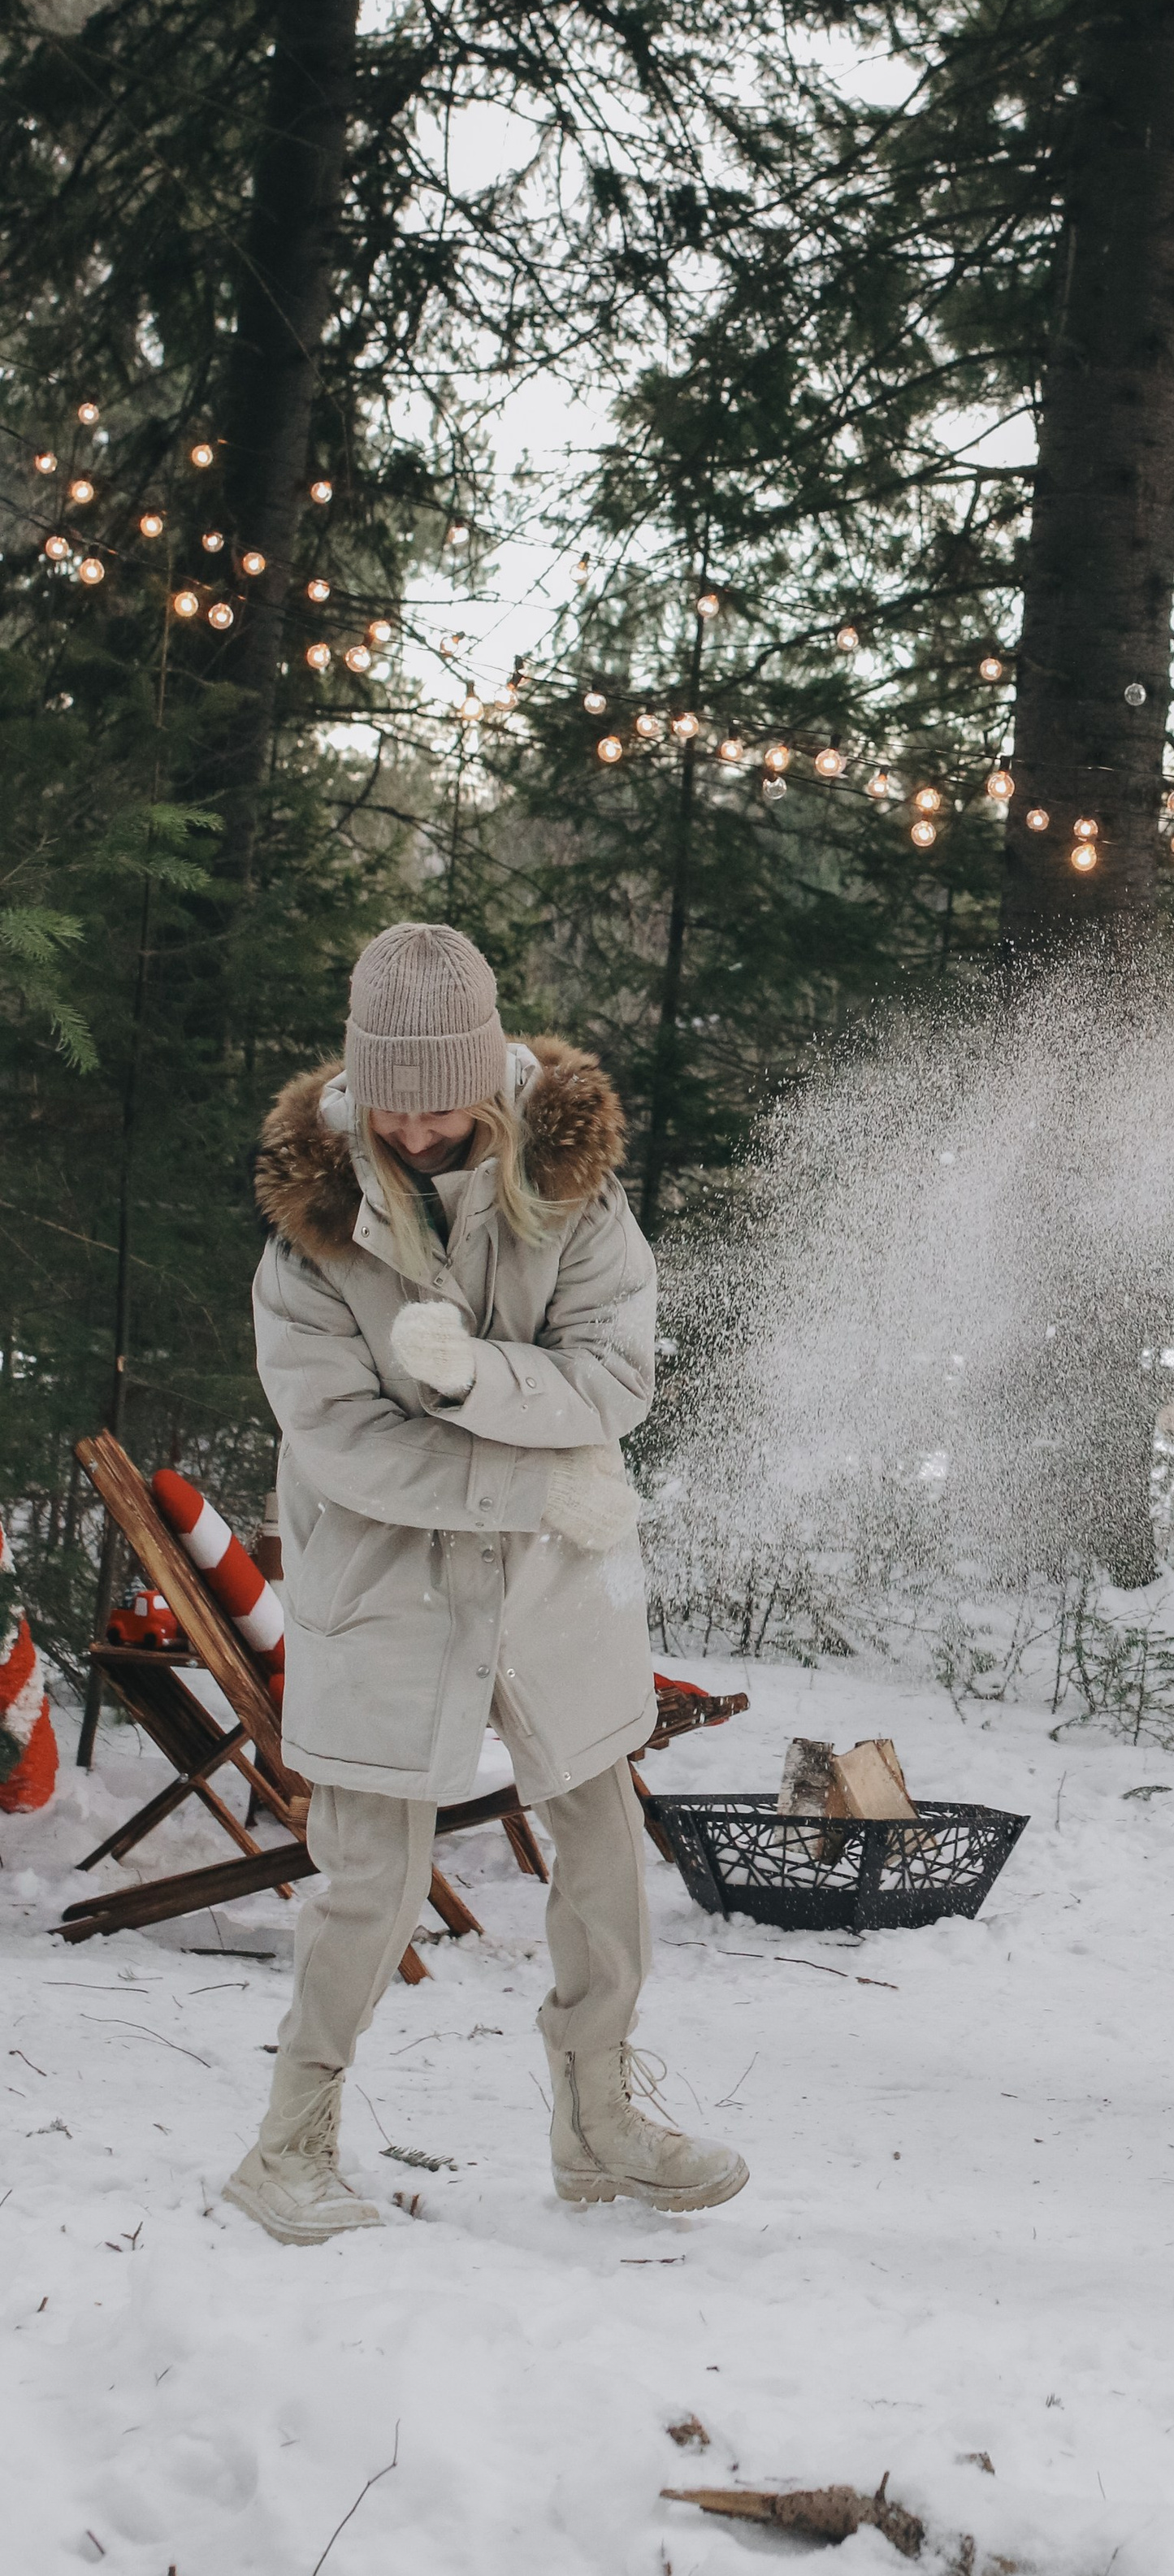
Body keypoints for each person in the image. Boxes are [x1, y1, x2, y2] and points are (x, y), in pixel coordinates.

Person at [222, 922, 747, 2244]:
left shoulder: (574, 1190)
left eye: (435, 1095)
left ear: (487, 1074)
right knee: (369, 1877)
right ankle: (288, 2145)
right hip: (387, 1579)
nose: (408, 1126)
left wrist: (470, 1378)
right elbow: (344, 1444)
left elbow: (615, 1381)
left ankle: (599, 2124)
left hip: (553, 1580)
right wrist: (531, 1472)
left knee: (604, 1838)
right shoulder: (312, 1237)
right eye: (383, 1097)